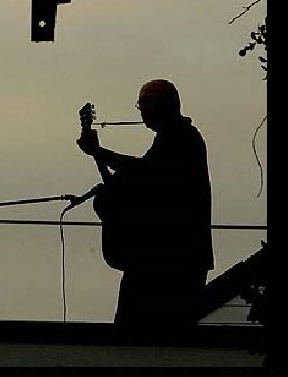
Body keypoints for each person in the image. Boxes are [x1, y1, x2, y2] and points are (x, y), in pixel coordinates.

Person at [76, 79, 214, 329]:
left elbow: (145, 174)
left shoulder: (182, 138)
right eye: (140, 103)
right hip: (160, 258)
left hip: (171, 261)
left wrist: (99, 153)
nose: (142, 108)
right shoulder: (172, 139)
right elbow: (135, 187)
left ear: (171, 103)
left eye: (148, 101)